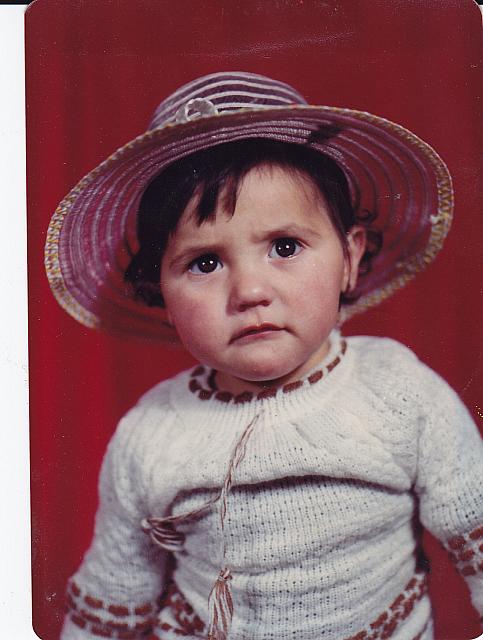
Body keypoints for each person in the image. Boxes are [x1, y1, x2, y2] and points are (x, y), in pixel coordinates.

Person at [45, 72, 482, 640]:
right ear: (160, 293)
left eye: (285, 246)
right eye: (205, 263)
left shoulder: (398, 389)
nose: (250, 291)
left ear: (349, 258)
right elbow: (113, 592)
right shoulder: (151, 432)